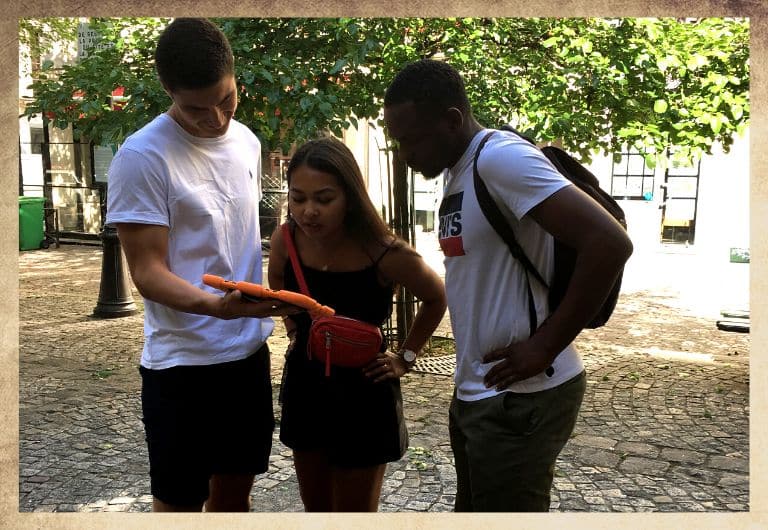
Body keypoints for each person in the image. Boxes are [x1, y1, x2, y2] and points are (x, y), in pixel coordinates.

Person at [384, 59, 633, 512]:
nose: (405, 154)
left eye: (411, 140)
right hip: (479, 393)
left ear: (452, 120)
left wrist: (546, 345)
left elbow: (609, 243)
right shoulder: (460, 173)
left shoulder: (499, 158)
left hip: (523, 399)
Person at [105, 18, 297, 512]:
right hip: (181, 364)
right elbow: (147, 272)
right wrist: (218, 307)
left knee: (235, 500)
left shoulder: (248, 142)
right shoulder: (142, 157)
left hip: (247, 357)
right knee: (179, 504)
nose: (216, 119)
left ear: (236, 79)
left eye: (226, 99)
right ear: (167, 90)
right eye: (196, 108)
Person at [268, 136, 447, 512]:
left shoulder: (384, 251)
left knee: (356, 514)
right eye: (298, 198)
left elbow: (436, 297)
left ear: (350, 196)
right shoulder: (287, 239)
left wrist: (406, 357)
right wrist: (294, 327)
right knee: (315, 510)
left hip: (365, 390)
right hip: (307, 383)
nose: (308, 211)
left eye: (324, 198)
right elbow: (279, 285)